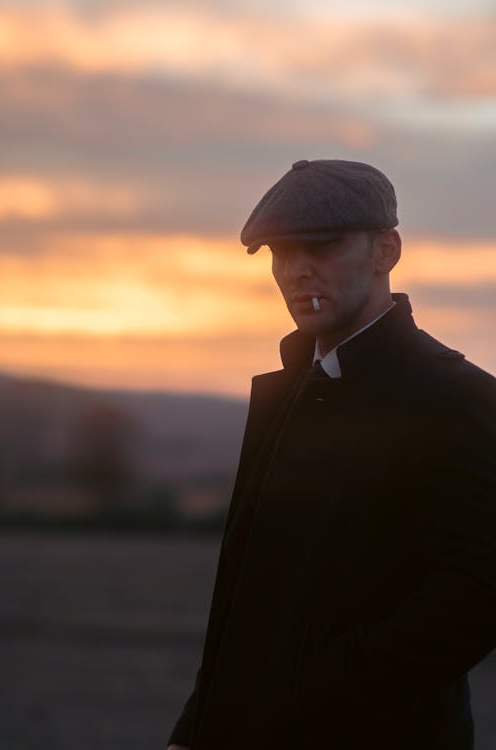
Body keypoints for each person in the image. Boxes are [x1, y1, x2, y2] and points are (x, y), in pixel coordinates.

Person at [168, 159, 496, 750]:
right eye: (280, 253)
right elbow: (245, 602)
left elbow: (479, 591)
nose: (296, 271)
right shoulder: (286, 394)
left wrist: (329, 685)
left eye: (320, 246)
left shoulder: (455, 397)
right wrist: (194, 730)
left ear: (386, 251)